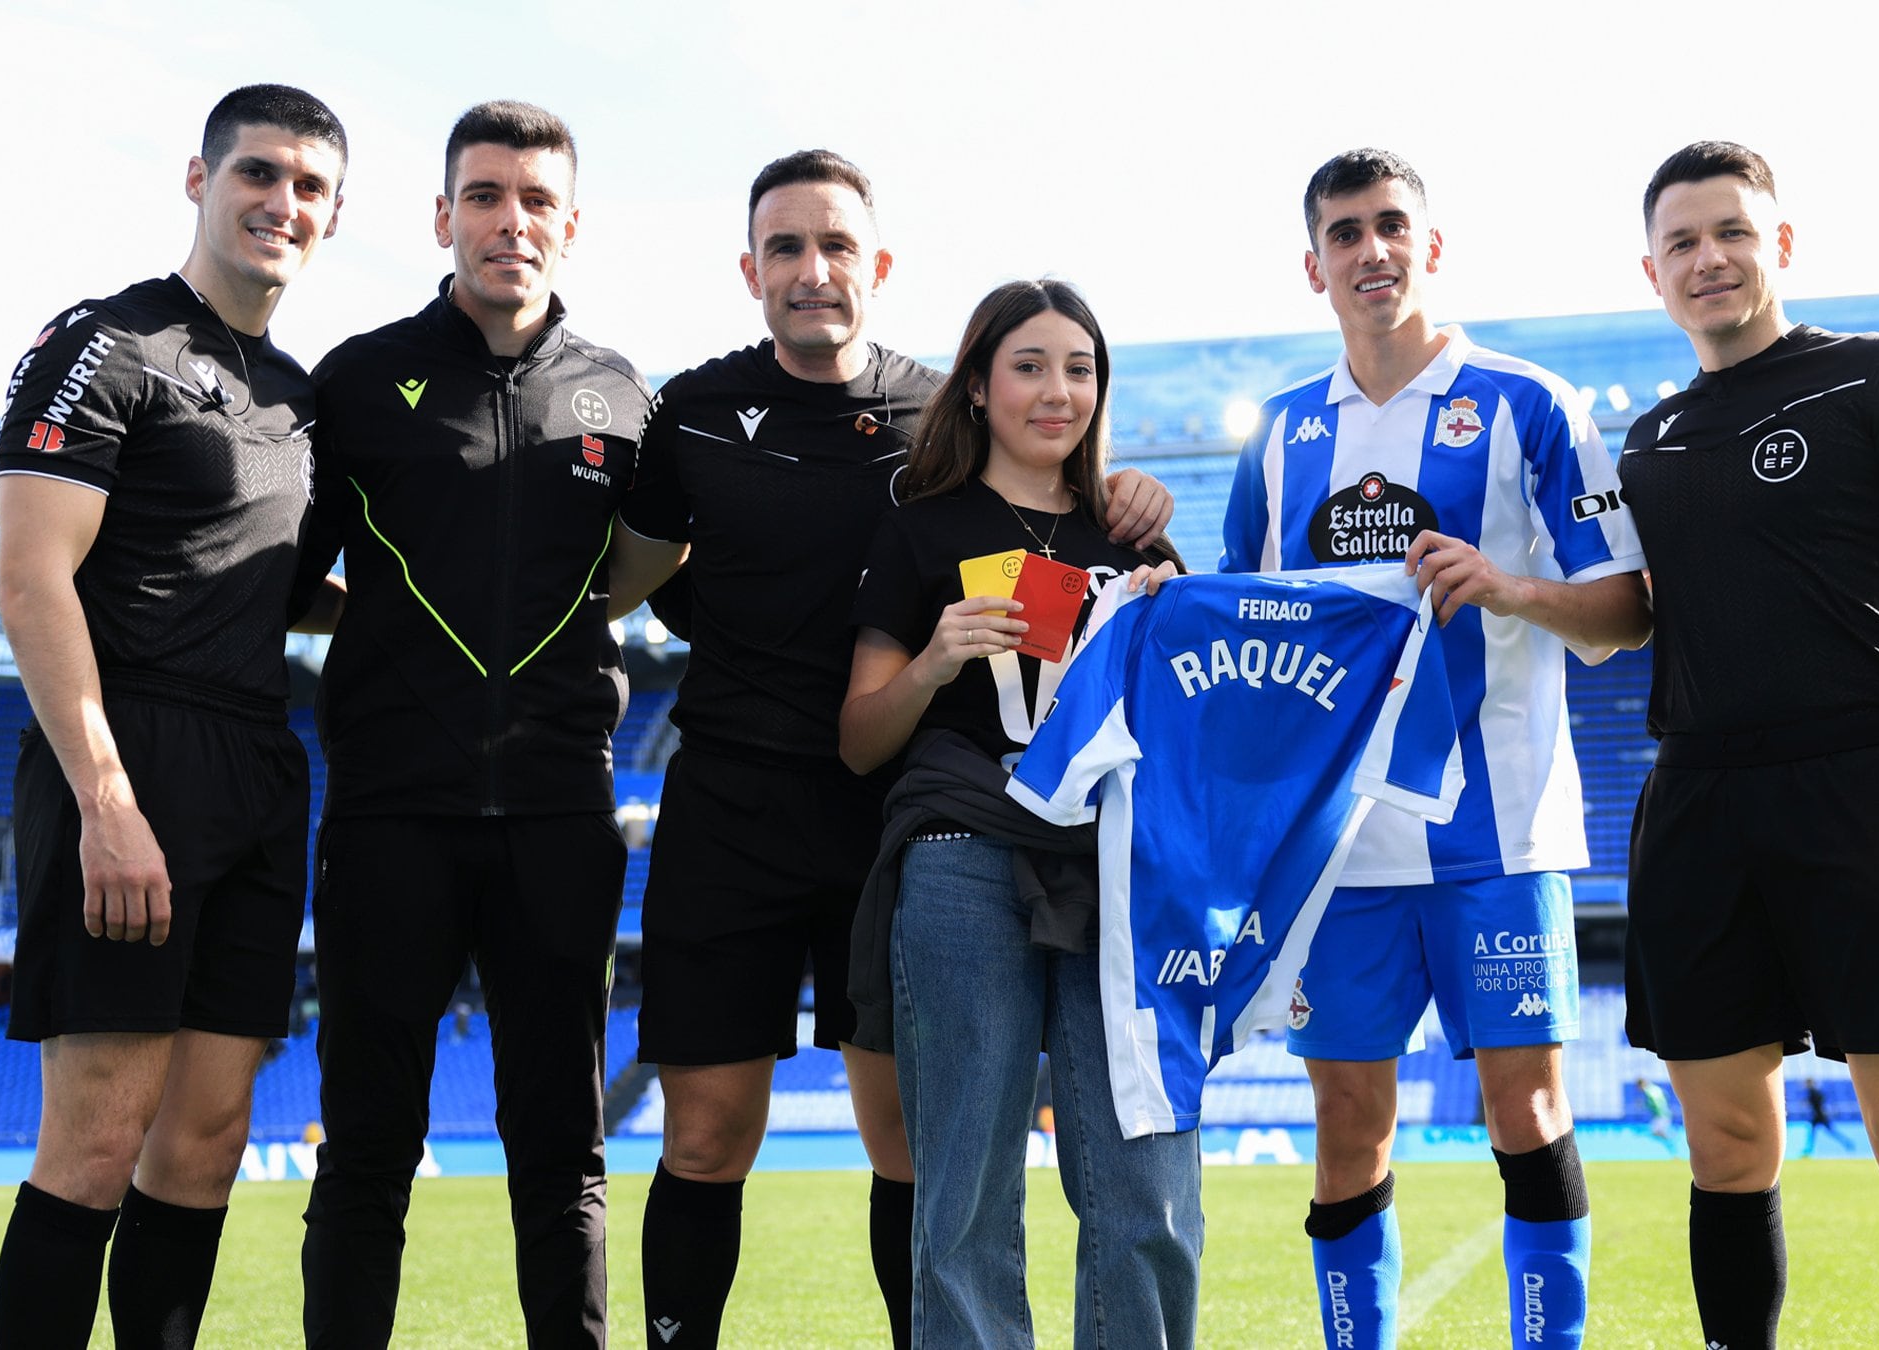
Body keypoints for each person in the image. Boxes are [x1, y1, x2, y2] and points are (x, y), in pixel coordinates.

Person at [618, 152, 1173, 1349]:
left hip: (900, 815)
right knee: (706, 1134)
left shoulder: (947, 411)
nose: (812, 272)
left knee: (918, 1143)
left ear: (878, 265)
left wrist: (1119, 496)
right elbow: (638, 582)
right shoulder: (696, 412)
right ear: (750, 268)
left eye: (836, 247)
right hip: (731, 806)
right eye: (784, 248)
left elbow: (1047, 508)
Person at [1217, 148, 1651, 1350]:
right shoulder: (1281, 435)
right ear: (1313, 263)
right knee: (1348, 1120)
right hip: (1340, 856)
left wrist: (1509, 591)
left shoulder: (1528, 403)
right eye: (1345, 233)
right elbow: (1239, 629)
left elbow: (1629, 612)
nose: (1371, 250)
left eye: (1391, 225)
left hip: (1494, 834)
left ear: (1432, 245)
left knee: (1528, 1108)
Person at [1621, 140, 1879, 1350]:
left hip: (1864, 790)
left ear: (1778, 245)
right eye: (1682, 242)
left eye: (1731, 231)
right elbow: (1628, 615)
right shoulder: (1648, 437)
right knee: (1727, 1149)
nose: (1708, 259)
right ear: (1653, 272)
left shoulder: (1875, 374)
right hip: (1697, 801)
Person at [293, 101, 667, 1348]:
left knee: (563, 1153)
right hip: (390, 812)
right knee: (367, 1155)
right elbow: (282, 569)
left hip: (561, 816)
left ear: (571, 225)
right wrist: (391, 625)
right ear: (443, 215)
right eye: (487, 195)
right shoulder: (353, 379)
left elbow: (650, 571)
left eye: (537, 201)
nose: (513, 221)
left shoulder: (624, 398)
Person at [0, 84, 347, 1349]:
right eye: (257, 174)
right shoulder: (112, 342)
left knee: (203, 1146)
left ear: (335, 216)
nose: (281, 204)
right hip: (132, 751)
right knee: (95, 1140)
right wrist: (107, 799)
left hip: (259, 760)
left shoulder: (304, 399)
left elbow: (297, 594)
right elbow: (31, 577)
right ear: (201, 183)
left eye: (309, 188)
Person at [840, 279, 1195, 1346]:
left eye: (1079, 368)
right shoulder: (920, 532)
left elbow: (1186, 730)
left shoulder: (1135, 540)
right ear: (981, 385)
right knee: (965, 1204)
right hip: (962, 859)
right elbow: (859, 738)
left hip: (1119, 874)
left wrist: (1167, 594)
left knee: (1150, 1192)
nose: (1057, 390)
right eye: (1030, 366)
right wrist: (938, 656)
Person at [1801, 1079, 1852, 1157]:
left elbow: (1813, 1102)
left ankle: (1847, 1142)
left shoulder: (1812, 1092)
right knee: (1814, 1133)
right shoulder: (1815, 1091)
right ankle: (1808, 1149)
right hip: (1819, 1115)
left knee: (1825, 1132)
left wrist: (1806, 1102)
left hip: (1819, 1116)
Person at [1637, 1076, 1677, 1154]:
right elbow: (1666, 1095)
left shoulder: (1648, 1091)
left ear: (1641, 1085)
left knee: (1656, 1132)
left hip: (1661, 1115)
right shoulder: (1655, 1088)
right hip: (1664, 1113)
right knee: (1656, 1132)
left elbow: (1655, 1102)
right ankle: (1670, 1142)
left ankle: (1671, 1141)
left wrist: (1645, 1105)